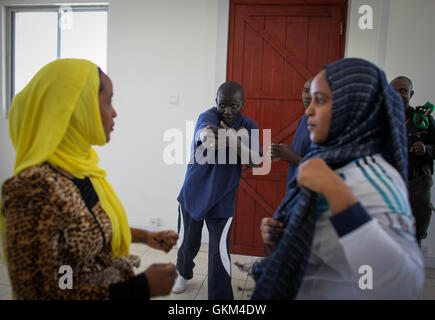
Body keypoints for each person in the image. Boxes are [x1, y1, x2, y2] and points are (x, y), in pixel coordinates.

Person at [0, 59, 178, 299]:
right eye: (108, 101)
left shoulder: (80, 169)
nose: (114, 112)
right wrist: (140, 288)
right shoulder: (33, 188)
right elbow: (38, 294)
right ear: (78, 108)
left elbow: (87, 230)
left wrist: (146, 236)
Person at [256, 58, 423, 299]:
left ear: (353, 107)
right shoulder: (329, 158)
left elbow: (403, 286)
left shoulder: (374, 178)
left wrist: (336, 191)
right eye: (310, 98)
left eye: (320, 100)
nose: (308, 110)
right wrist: (286, 233)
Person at [173, 81, 261, 299]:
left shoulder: (250, 126)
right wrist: (235, 140)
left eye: (234, 105)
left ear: (243, 103)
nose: (228, 111)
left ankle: (220, 297)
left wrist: (231, 139)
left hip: (223, 196)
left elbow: (257, 160)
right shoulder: (209, 116)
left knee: (219, 251)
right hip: (194, 191)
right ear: (216, 103)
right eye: (223, 105)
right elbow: (205, 136)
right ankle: (183, 273)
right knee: (188, 241)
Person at [390, 76, 435, 246]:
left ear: (411, 94)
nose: (398, 94)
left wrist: (426, 149)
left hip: (416, 184)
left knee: (415, 233)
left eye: (403, 91)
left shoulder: (423, 120)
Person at [268, 77, 313, 187]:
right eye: (306, 90)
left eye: (313, 92)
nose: (308, 96)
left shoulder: (326, 125)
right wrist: (282, 154)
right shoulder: (304, 119)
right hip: (294, 189)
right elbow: (299, 155)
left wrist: (290, 155)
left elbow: (323, 171)